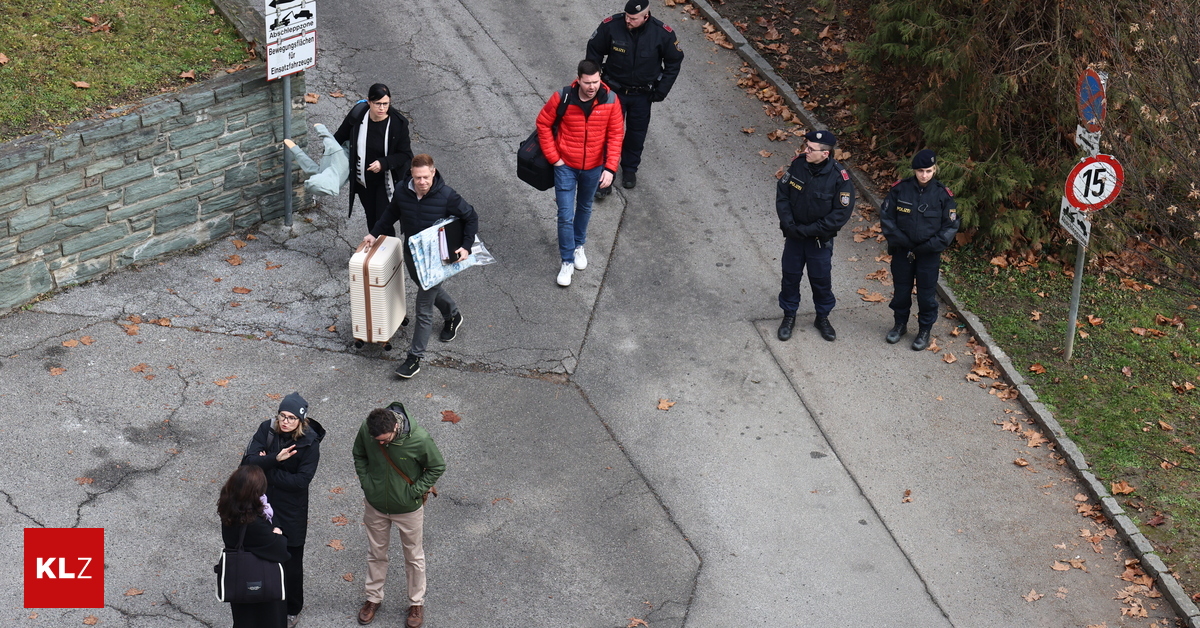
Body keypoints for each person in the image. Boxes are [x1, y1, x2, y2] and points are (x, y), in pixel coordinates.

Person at [364, 154, 478, 379]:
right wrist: (374, 233)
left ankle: (414, 358)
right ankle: (453, 315)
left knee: (423, 306)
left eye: (426, 177)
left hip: (436, 259)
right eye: (418, 178)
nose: (422, 182)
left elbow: (471, 216)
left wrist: (466, 246)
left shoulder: (447, 195)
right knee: (424, 287)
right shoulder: (402, 190)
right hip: (411, 253)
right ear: (412, 175)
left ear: (433, 172)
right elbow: (391, 213)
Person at [352, 404, 446, 628]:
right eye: (377, 441)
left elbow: (436, 466)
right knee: (376, 553)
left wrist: (413, 492)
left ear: (396, 427)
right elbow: (359, 454)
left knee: (414, 557)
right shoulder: (368, 430)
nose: (381, 444)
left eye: (385, 440)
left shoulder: (419, 438)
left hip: (408, 509)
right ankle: (373, 598)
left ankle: (416, 603)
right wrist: (368, 484)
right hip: (376, 505)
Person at [536, 59, 625, 287]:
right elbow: (543, 124)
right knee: (565, 214)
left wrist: (610, 168)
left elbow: (615, 135)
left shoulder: (611, 100)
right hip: (565, 166)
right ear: (578, 79)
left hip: (594, 167)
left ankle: (578, 246)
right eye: (588, 82)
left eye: (596, 81)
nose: (592, 87)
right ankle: (567, 261)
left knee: (585, 207)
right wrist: (554, 158)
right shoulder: (562, 97)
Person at [241, 392, 326, 628]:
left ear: (300, 421)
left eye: (290, 418)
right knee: (258, 555)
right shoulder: (266, 430)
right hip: (260, 505)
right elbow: (248, 463)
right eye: (282, 416)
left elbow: (300, 482)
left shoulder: (309, 444)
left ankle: (292, 609)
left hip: (291, 512)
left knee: (291, 562)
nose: (285, 421)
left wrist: (267, 465)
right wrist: (275, 459)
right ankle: (262, 600)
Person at [586, 0, 684, 196]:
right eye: (627, 16)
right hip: (613, 91)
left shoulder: (662, 33)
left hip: (642, 95)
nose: (628, 20)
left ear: (646, 16)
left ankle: (630, 169)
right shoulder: (611, 26)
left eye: (633, 18)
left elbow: (674, 61)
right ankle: (604, 177)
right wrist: (595, 84)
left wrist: (661, 90)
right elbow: (594, 53)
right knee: (607, 134)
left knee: (636, 134)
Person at [776, 129, 856, 342]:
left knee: (821, 280)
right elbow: (782, 194)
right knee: (790, 277)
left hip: (818, 241)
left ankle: (822, 317)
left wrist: (807, 231)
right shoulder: (798, 165)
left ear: (825, 154)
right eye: (806, 146)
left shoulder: (840, 179)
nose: (806, 151)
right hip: (794, 236)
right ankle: (789, 315)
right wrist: (789, 224)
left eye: (811, 149)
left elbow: (839, 216)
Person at [880, 149, 960, 351]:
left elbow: (950, 227)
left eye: (929, 171)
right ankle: (900, 325)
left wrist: (927, 247)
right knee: (901, 290)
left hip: (928, 255)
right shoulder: (900, 190)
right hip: (902, 252)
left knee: (926, 294)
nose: (924, 175)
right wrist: (904, 242)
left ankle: (924, 330)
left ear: (935, 170)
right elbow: (887, 219)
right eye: (921, 171)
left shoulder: (943, 195)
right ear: (914, 170)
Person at [334, 83, 414, 235]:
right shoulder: (358, 115)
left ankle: (388, 254)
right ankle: (376, 249)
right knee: (371, 218)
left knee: (383, 219)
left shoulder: (398, 124)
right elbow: (340, 136)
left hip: (387, 180)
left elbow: (405, 155)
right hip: (364, 179)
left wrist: (383, 163)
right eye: (378, 104)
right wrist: (329, 155)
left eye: (386, 104)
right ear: (368, 101)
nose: (382, 108)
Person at [218, 465, 290, 628]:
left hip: (239, 578)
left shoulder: (229, 508)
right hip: (262, 584)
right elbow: (281, 550)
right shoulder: (254, 524)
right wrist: (277, 532)